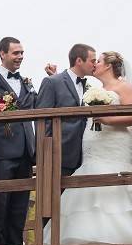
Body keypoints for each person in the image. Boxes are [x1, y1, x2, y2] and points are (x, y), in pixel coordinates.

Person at [43, 52, 132, 244]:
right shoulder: (95, 88)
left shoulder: (124, 87)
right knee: (89, 176)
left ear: (109, 66)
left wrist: (108, 119)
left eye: (98, 61)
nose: (95, 65)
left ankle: (118, 237)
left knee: (111, 180)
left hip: (115, 143)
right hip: (93, 142)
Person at [0, 37, 36, 245]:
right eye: (16, 53)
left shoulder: (26, 81)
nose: (20, 57)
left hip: (26, 151)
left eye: (22, 53)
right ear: (2, 54)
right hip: (3, 151)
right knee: (1, 203)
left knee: (20, 205)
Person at [36, 44, 96, 176]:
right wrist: (46, 153)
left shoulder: (90, 88)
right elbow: (43, 120)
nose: (95, 65)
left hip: (85, 155)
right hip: (59, 155)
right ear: (79, 61)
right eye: (92, 61)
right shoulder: (52, 82)